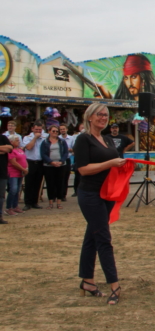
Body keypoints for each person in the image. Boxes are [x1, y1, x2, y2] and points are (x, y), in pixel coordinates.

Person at [74, 102, 127, 305]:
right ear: (89, 117)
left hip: (106, 194)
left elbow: (111, 165)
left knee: (92, 238)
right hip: (90, 195)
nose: (103, 118)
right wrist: (110, 163)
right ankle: (114, 285)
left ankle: (87, 281)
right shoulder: (83, 139)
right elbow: (83, 169)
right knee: (103, 238)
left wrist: (121, 165)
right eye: (99, 114)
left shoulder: (107, 139)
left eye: (106, 115)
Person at [41, 124, 68, 209]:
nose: (55, 133)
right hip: (48, 166)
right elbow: (43, 154)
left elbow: (65, 152)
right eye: (53, 131)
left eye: (57, 131)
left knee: (60, 183)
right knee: (50, 184)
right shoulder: (45, 142)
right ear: (49, 132)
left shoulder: (62, 141)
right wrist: (51, 162)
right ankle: (51, 203)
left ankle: (59, 202)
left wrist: (61, 161)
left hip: (61, 165)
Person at [22, 120, 46, 210]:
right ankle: (27, 203)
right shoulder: (27, 137)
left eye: (40, 130)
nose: (38, 131)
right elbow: (28, 147)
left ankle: (35, 202)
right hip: (30, 161)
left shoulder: (44, 137)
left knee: (37, 183)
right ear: (32, 129)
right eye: (36, 129)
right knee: (29, 183)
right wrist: (35, 138)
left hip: (40, 162)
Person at [6, 135, 27, 216]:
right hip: (13, 173)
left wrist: (26, 168)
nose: (19, 141)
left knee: (17, 190)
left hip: (20, 173)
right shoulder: (11, 151)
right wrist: (23, 169)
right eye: (17, 140)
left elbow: (24, 159)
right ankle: (9, 207)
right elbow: (13, 162)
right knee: (13, 189)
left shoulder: (19, 150)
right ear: (11, 142)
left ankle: (15, 206)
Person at [0, 132, 11, 224]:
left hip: (2, 172)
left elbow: (10, 148)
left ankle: (0, 216)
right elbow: (6, 149)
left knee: (1, 196)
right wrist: (3, 149)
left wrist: (6, 149)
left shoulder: (3, 137)